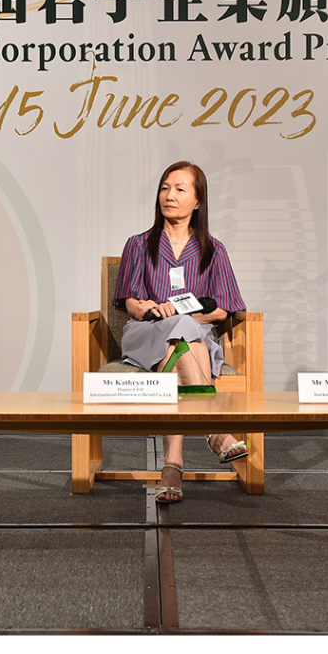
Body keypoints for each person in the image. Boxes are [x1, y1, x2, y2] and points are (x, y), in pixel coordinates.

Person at [112, 160, 249, 504]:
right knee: (181, 330)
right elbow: (128, 301)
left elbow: (224, 308)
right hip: (147, 334)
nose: (169, 196)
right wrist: (147, 308)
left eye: (179, 189)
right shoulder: (139, 244)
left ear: (198, 201)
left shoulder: (214, 250)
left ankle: (172, 464)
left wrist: (184, 313)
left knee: (184, 330)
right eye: (164, 188)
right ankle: (214, 430)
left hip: (197, 336)